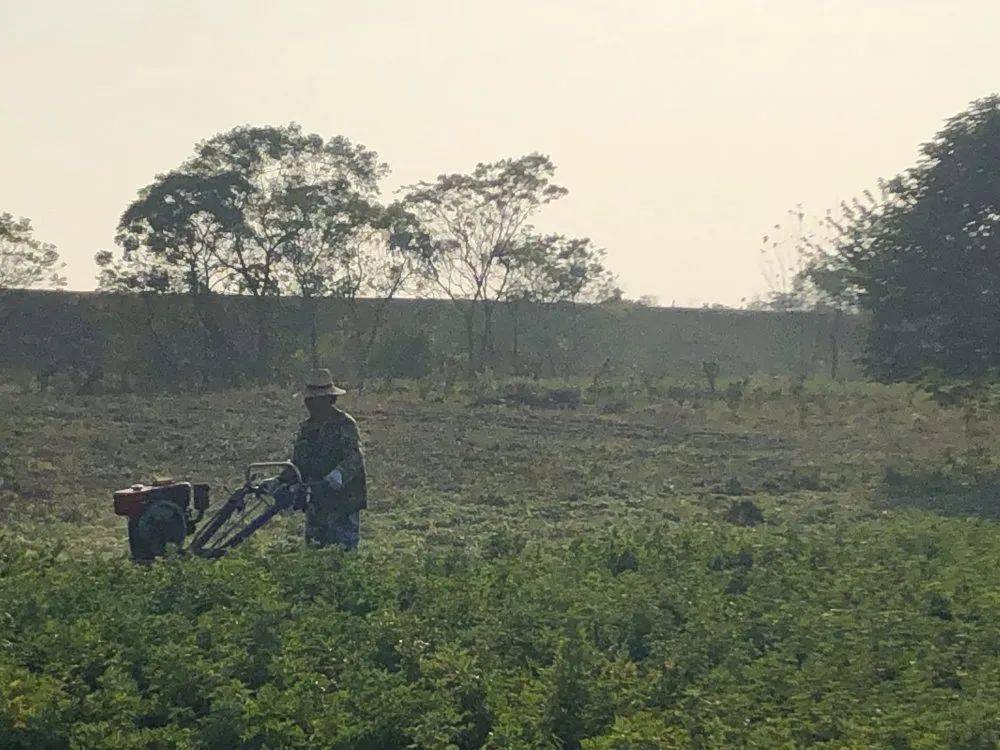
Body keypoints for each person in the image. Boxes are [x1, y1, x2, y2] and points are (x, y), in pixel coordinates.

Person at [279, 369, 367, 549]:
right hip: (317, 500)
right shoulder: (307, 428)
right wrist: (281, 481)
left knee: (342, 552)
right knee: (315, 553)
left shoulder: (344, 424)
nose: (310, 404)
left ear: (328, 400)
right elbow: (299, 462)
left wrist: (339, 474)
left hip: (344, 501)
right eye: (309, 400)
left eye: (315, 400)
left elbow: (354, 456)